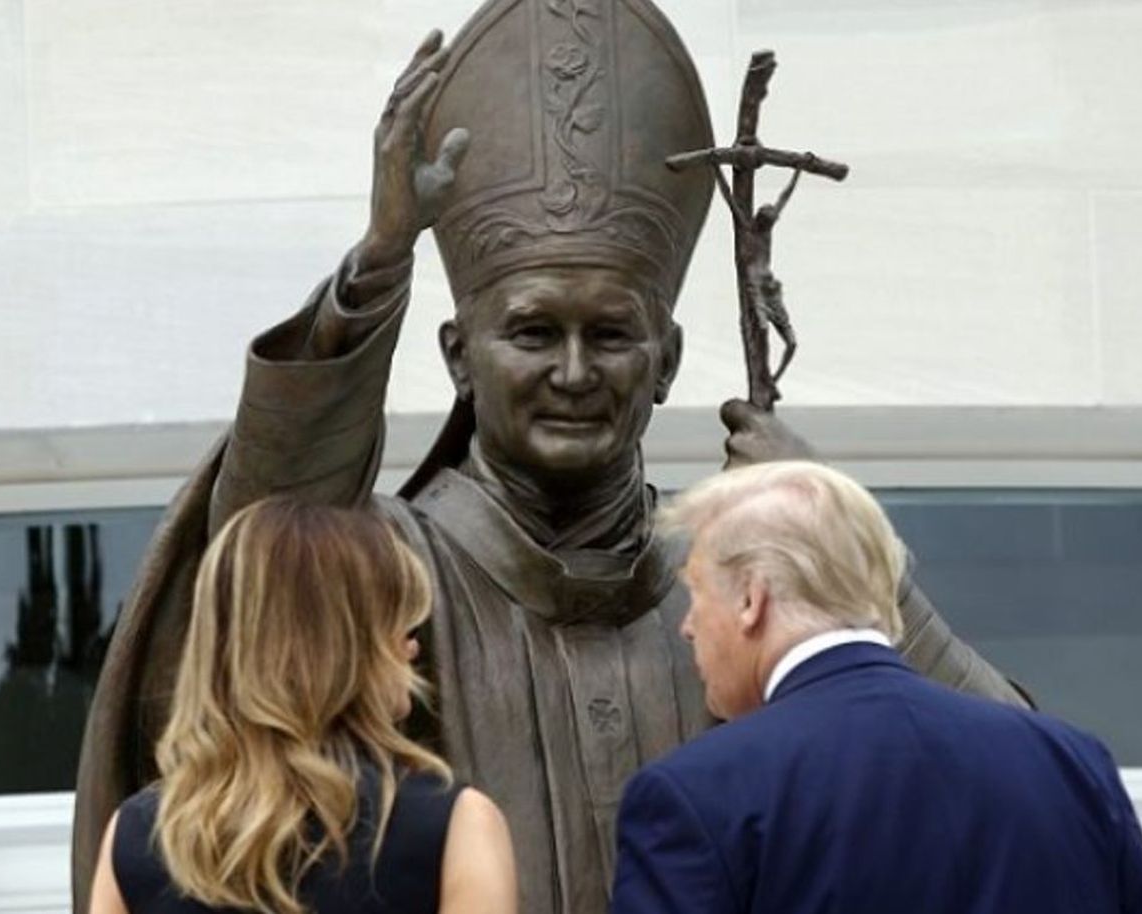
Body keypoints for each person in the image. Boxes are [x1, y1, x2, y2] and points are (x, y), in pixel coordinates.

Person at [73, 3, 1028, 912]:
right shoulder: (392, 581)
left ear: (667, 362)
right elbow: (254, 554)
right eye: (532, 333)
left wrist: (836, 554)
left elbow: (1013, 778)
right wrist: (380, 257)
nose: (574, 371)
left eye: (611, 334)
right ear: (460, 357)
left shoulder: (734, 603)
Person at [611, 461, 1142, 914]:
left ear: (752, 598)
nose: (687, 625)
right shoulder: (1072, 764)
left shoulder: (697, 794)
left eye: (697, 592)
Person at [85, 496, 517, 914]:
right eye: (397, 623)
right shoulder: (455, 827)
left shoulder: (136, 838)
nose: (411, 646)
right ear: (339, 650)